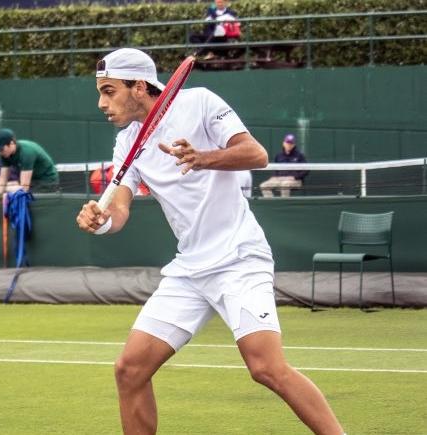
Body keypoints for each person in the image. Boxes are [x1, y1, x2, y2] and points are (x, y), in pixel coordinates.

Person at [76, 48, 344, 435]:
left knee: (266, 368)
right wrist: (100, 222)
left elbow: (256, 154)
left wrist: (205, 158)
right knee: (130, 370)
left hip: (239, 258)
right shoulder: (126, 143)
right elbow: (119, 209)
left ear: (138, 87)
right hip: (189, 270)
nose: (102, 103)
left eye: (108, 91)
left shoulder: (200, 102)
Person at [0, 128, 59, 193]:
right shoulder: (5, 154)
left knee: (18, 191)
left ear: (11, 143)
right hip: (33, 181)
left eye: (2, 149)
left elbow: (24, 188)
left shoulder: (27, 152)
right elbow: (2, 180)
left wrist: (7, 188)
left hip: (48, 182)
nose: (0, 152)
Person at [259, 133, 309, 197]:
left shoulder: (299, 155)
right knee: (264, 186)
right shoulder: (279, 156)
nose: (289, 145)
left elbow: (306, 170)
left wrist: (295, 177)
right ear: (284, 143)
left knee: (284, 185)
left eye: (291, 143)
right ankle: (272, 203)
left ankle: (284, 203)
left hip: (295, 180)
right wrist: (274, 176)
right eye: (287, 143)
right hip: (280, 179)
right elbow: (275, 169)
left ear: (294, 145)